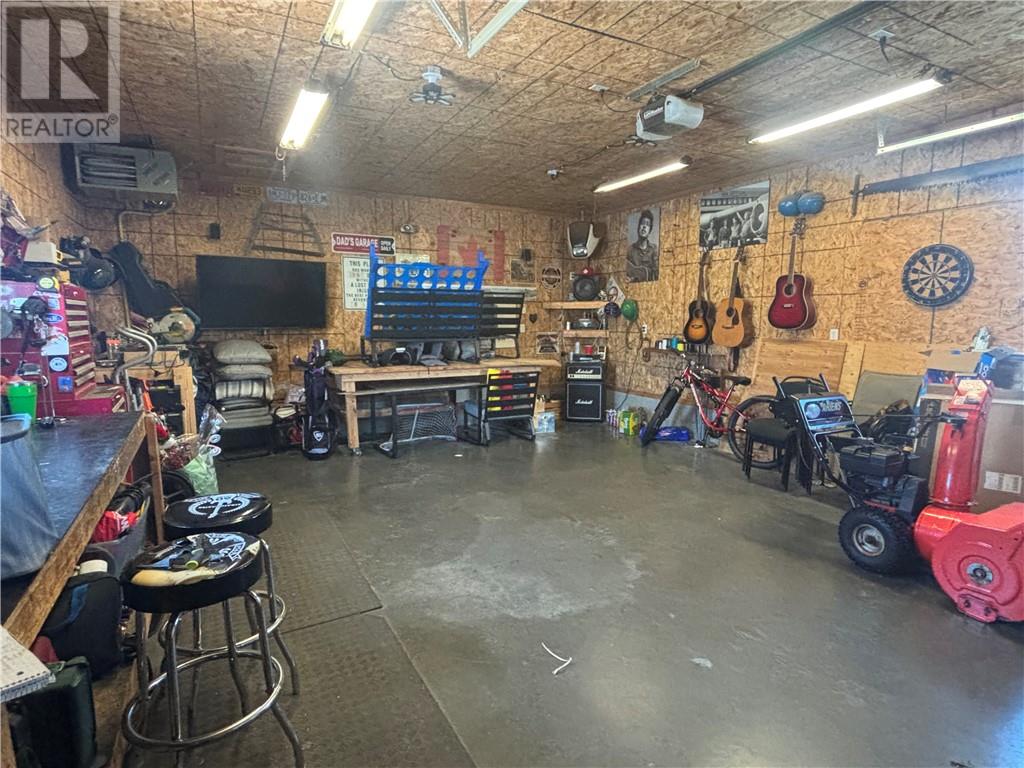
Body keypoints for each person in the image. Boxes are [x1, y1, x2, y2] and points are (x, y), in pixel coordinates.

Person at [626, 209, 659, 282]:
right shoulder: (630, 250)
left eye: (647, 224)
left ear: (650, 230)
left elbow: (656, 275)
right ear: (638, 227)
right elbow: (626, 273)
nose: (644, 226)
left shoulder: (654, 249)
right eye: (642, 223)